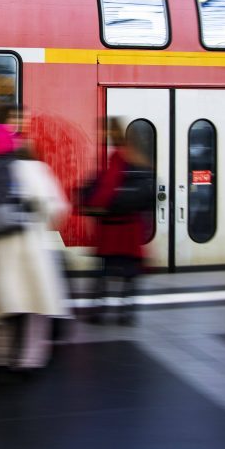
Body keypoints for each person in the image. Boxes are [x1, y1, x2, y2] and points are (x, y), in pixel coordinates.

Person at [0, 138, 71, 375]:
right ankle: (28, 360)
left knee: (3, 305)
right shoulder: (34, 169)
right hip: (31, 249)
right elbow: (57, 208)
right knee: (34, 306)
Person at [79, 118, 151, 326]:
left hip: (114, 229)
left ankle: (99, 312)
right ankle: (126, 313)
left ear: (112, 132)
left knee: (105, 272)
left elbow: (106, 191)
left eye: (103, 131)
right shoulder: (140, 159)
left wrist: (91, 204)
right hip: (132, 227)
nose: (100, 135)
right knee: (129, 272)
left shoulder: (118, 157)